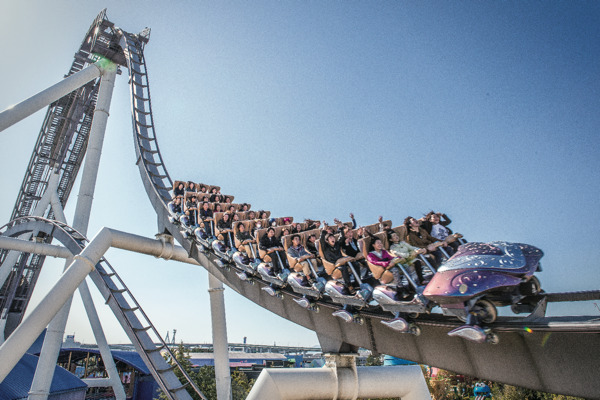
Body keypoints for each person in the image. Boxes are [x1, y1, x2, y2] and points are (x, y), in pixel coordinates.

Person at [320, 222, 356, 292]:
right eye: (330, 238)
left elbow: (342, 237)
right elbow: (322, 240)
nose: (332, 238)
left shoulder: (337, 244)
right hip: (334, 266)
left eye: (333, 237)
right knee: (343, 268)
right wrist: (324, 230)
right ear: (327, 241)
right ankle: (349, 286)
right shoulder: (325, 247)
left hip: (341, 262)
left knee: (355, 264)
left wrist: (341, 227)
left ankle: (358, 282)